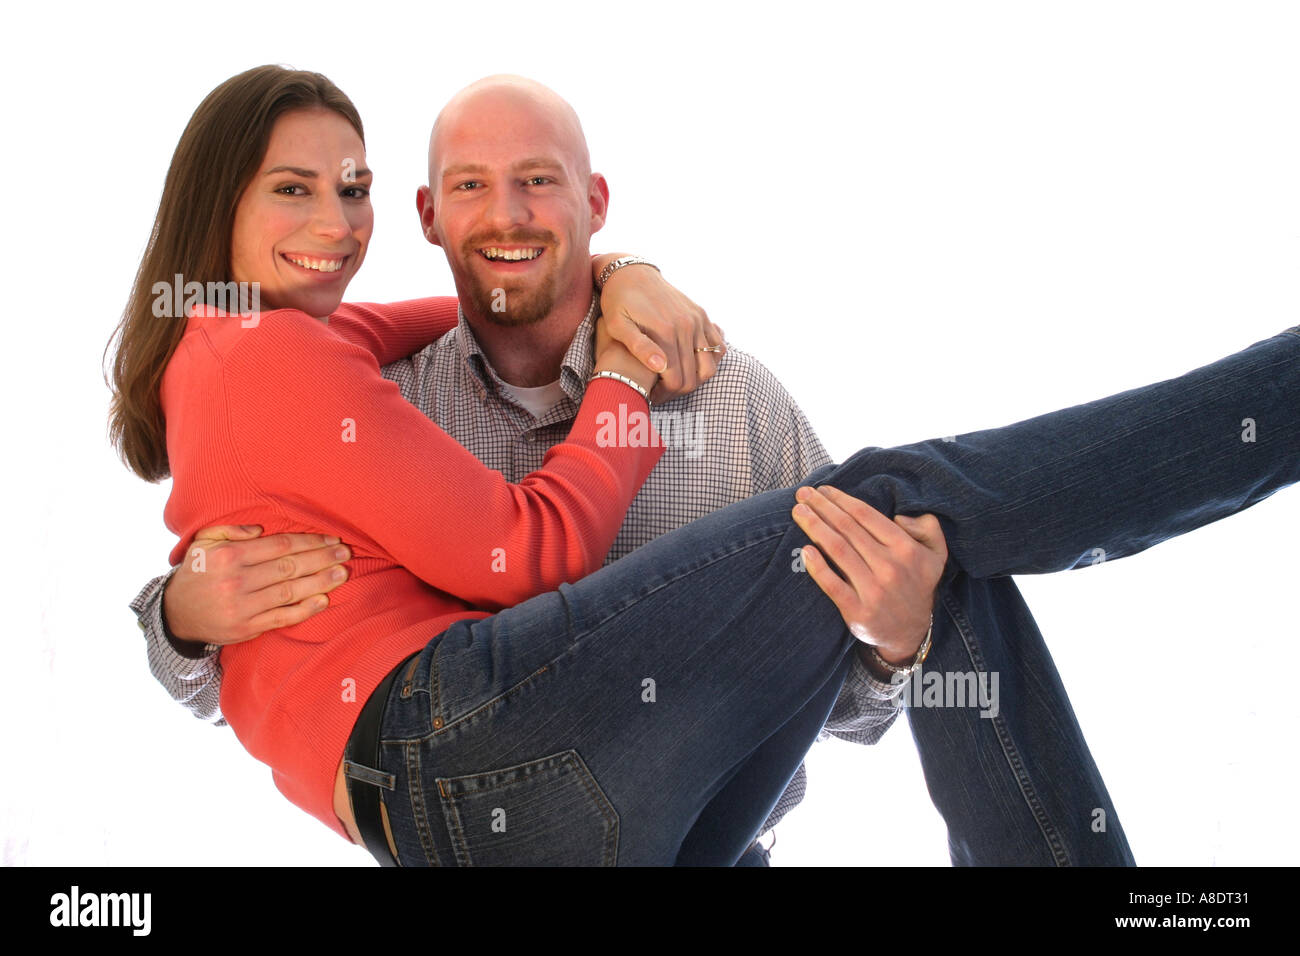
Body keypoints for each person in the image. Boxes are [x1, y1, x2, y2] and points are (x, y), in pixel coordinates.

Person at [112, 67, 1300, 866]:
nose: (336, 219)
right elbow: (492, 564)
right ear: (435, 215)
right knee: (895, 497)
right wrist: (177, 613)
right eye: (470, 187)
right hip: (478, 795)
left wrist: (899, 637)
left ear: (593, 201)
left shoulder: (724, 395)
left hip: (680, 839)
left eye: (539, 184)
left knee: (931, 561)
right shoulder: (376, 399)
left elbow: (860, 701)